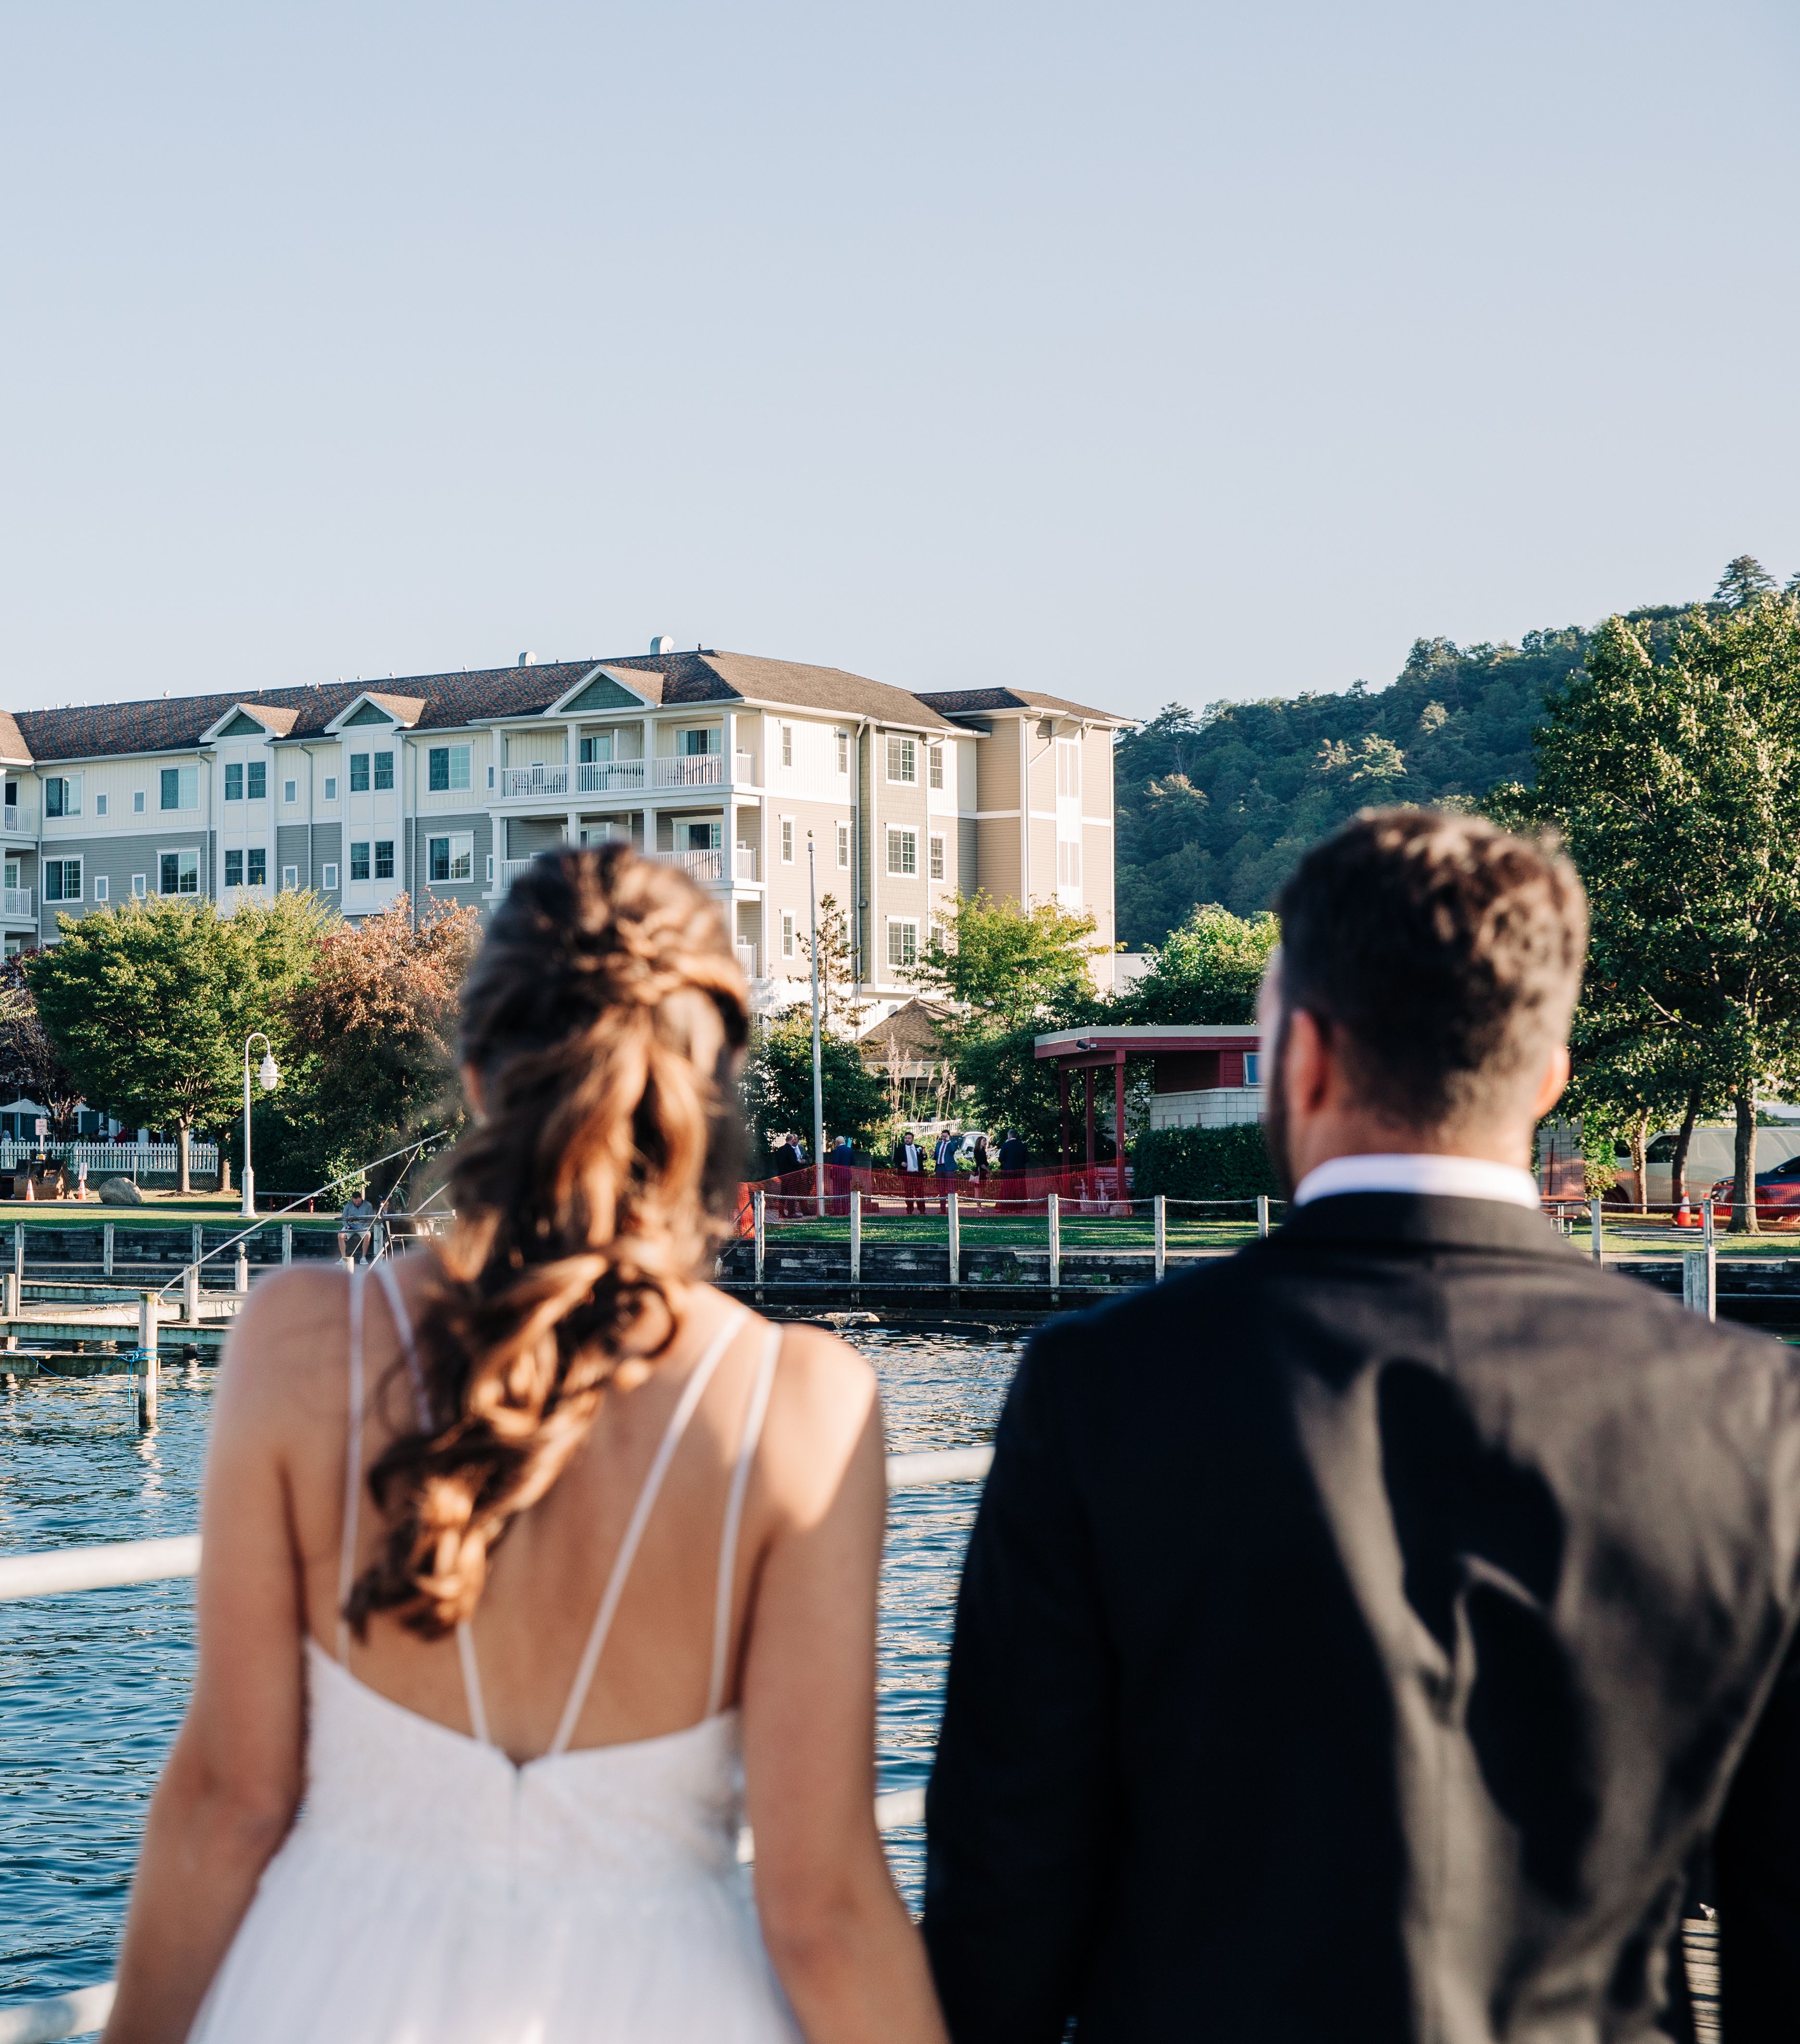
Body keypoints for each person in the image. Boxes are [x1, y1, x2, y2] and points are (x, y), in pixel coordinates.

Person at [922, 808, 1800, 2038]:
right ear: (1549, 1076)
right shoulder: (1757, 1415)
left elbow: (1004, 1896)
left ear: (1308, 1058)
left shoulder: (1103, 1386)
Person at [110, 844, 943, 2044]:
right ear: (712, 1090)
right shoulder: (802, 1402)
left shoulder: (300, 1341)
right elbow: (821, 1907)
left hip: (329, 1991)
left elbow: (232, 1802)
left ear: (479, 1077)